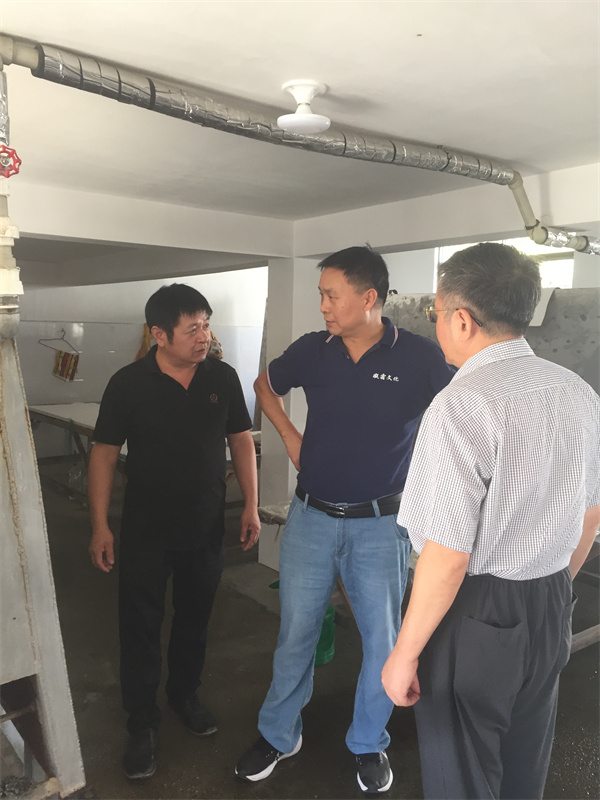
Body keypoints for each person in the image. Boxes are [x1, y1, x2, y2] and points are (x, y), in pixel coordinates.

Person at [382, 242, 600, 800]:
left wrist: (403, 654)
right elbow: (591, 512)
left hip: (476, 610)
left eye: (435, 312)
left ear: (461, 319)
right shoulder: (578, 393)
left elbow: (447, 554)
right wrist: (550, 585)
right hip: (551, 599)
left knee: (462, 775)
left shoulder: (461, 404)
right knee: (525, 766)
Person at [235, 245, 454, 793]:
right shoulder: (314, 350)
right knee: (296, 634)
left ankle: (369, 742)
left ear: (368, 297)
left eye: (331, 296)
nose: (324, 307)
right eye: (321, 296)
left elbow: (460, 414)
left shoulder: (420, 357)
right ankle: (279, 734)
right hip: (311, 517)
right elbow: (264, 386)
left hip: (381, 525)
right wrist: (292, 438)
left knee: (382, 640)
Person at [88, 283, 260, 780]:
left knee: (195, 619)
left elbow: (240, 441)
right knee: (140, 627)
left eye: (206, 325)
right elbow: (104, 453)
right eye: (192, 329)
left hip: (204, 527)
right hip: (145, 530)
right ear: (159, 335)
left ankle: (184, 696)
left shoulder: (221, 377)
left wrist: (250, 506)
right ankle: (142, 723)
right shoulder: (128, 383)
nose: (204, 336)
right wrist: (99, 525)